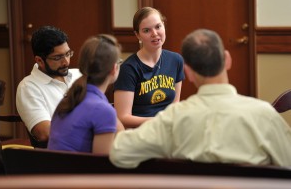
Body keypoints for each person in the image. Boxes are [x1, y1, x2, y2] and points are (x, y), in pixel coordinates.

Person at [109, 29, 291, 168]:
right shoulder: (264, 115)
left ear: (188, 72)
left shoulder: (172, 119)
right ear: (227, 60)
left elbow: (119, 152)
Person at [47, 34, 124, 153]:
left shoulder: (71, 98)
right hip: (78, 171)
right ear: (114, 68)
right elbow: (101, 166)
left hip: (51, 170)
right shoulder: (102, 109)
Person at [113, 7, 185, 128]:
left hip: (168, 130)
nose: (155, 34)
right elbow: (122, 117)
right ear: (138, 35)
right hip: (140, 133)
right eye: (147, 30)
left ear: (163, 25)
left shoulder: (176, 60)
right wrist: (160, 121)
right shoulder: (128, 69)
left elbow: (175, 105)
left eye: (158, 27)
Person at [16, 26, 81, 145]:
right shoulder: (28, 87)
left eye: (68, 54)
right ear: (39, 60)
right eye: (58, 57)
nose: (66, 61)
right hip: (59, 156)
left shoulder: (78, 75)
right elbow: (44, 132)